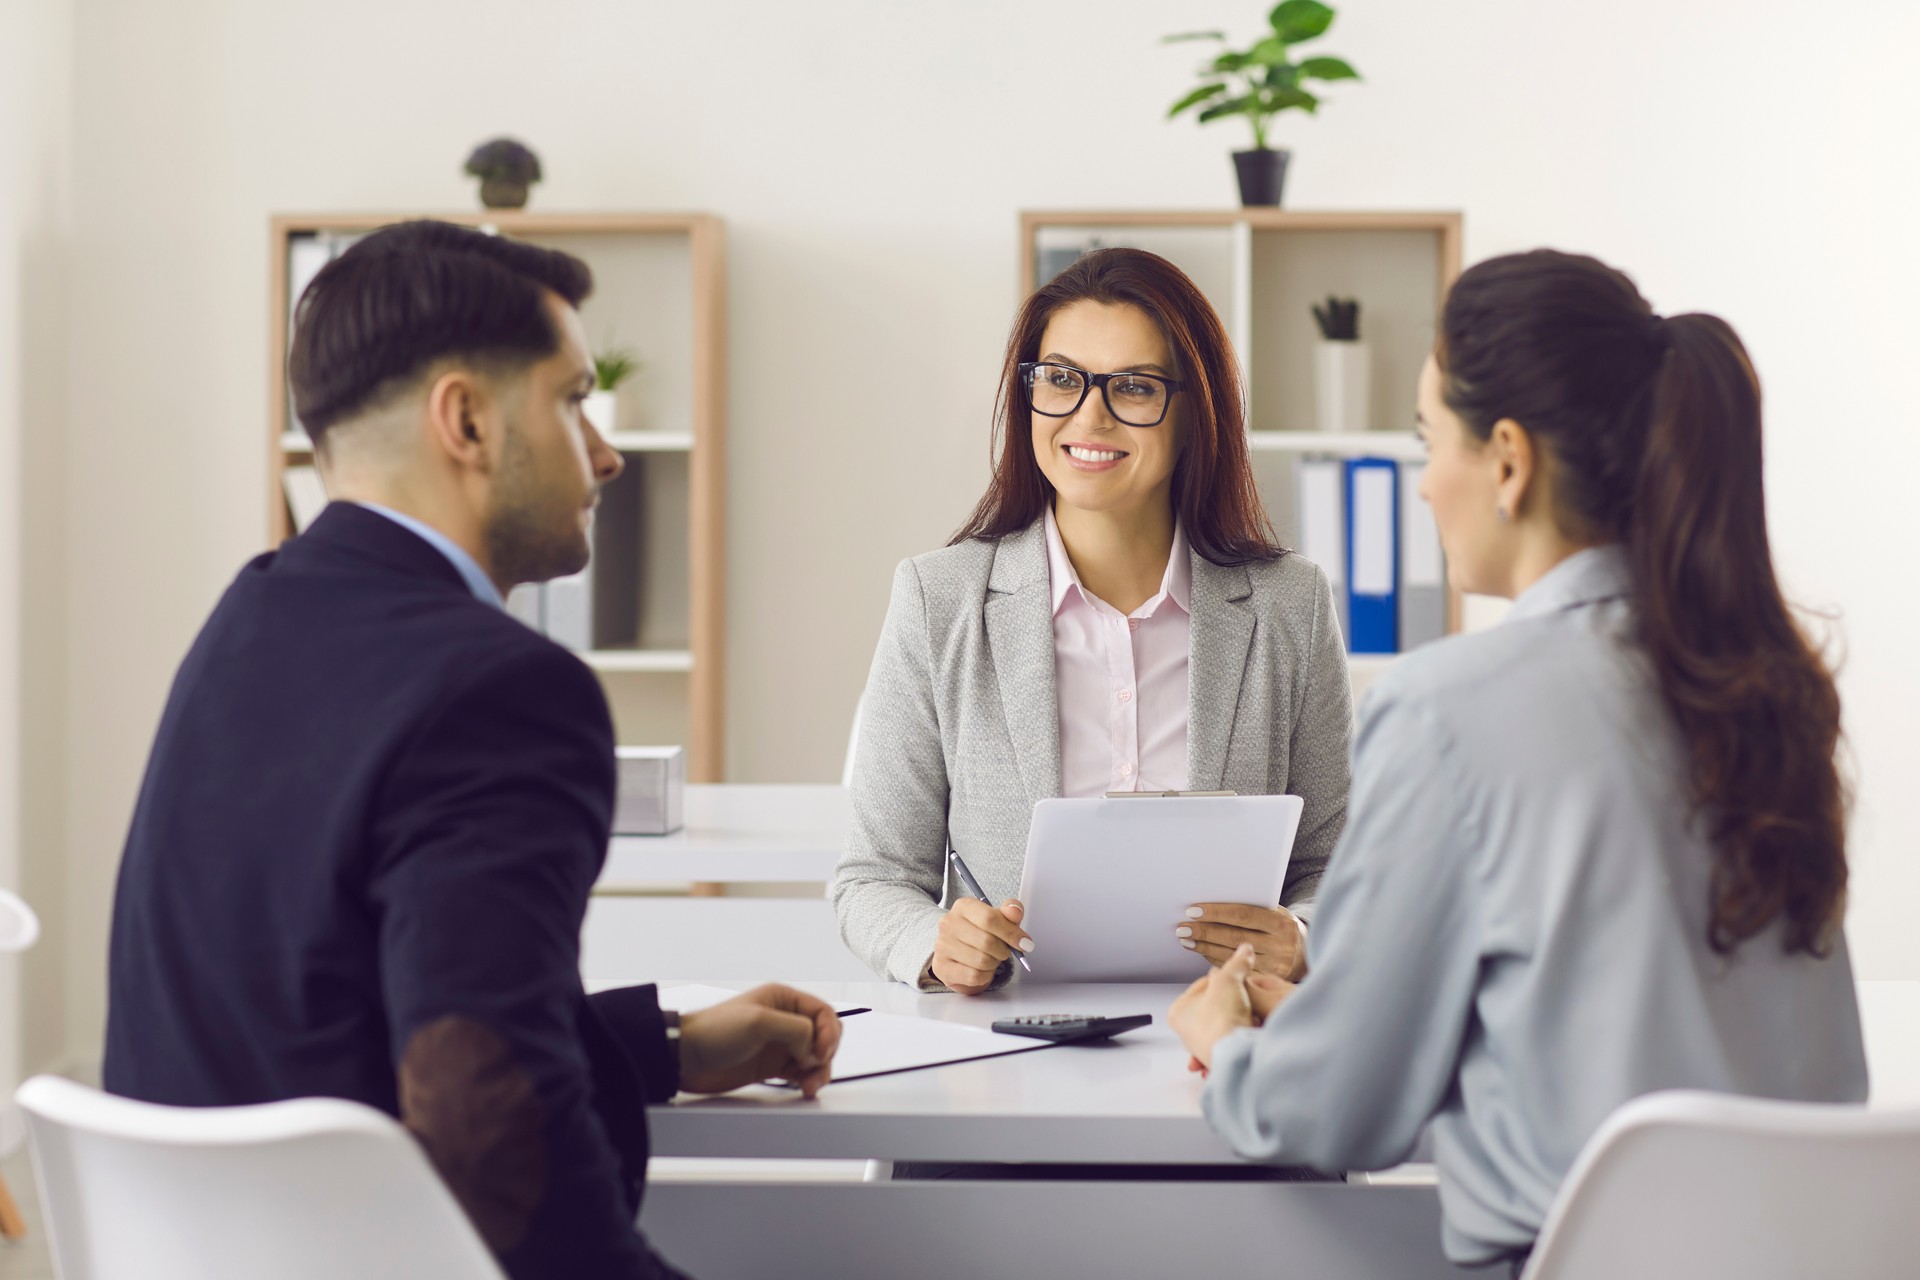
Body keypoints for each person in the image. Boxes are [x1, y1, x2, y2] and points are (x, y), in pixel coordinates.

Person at [103, 220, 840, 1280]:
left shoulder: (251, 619)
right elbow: (492, 1144)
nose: (607, 450)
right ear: (468, 419)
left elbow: (326, 1016)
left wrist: (665, 1043)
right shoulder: (504, 691)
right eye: (574, 397)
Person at [1168, 249, 1869, 1274]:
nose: (1419, 486)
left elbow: (1327, 1115)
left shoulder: (1446, 707)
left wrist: (1230, 1039)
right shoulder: (1767, 685)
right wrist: (1353, 1014)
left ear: (1507, 460)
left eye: (1426, 441)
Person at [833, 247, 1352, 994]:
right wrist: (934, 944)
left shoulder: (1288, 606)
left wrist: (1301, 936)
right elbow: (873, 879)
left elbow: (1339, 866)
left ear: (1192, 413)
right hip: (1010, 1043)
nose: (1090, 416)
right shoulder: (937, 599)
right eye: (1062, 379)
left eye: (1135, 387)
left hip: (1229, 1036)